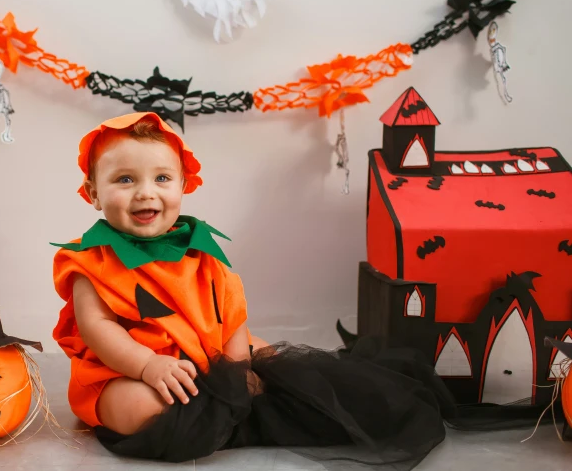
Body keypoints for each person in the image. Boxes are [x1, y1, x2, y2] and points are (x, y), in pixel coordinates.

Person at [50, 112, 474, 468]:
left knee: (275, 364)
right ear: (93, 194)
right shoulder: (91, 263)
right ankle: (213, 414)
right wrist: (147, 366)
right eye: (125, 180)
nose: (146, 192)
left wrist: (236, 374)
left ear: (183, 186)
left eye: (162, 178)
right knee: (137, 408)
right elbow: (97, 329)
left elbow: (231, 317)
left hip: (206, 355)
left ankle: (232, 407)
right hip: (126, 370)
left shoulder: (202, 254)